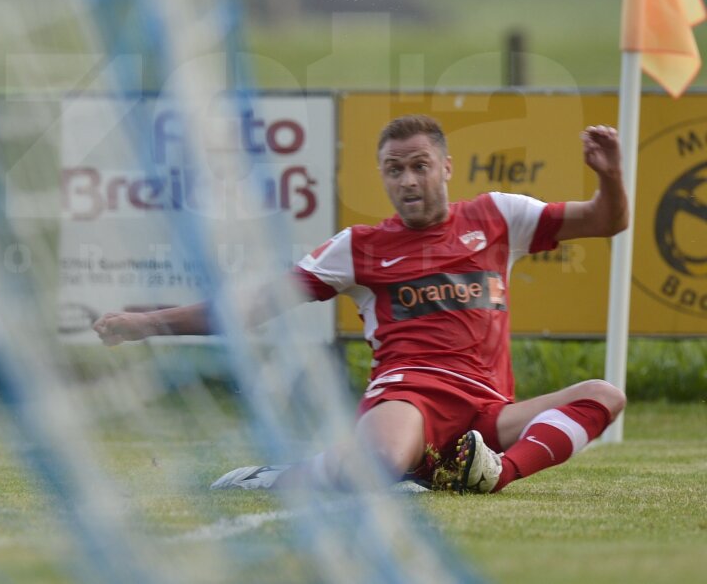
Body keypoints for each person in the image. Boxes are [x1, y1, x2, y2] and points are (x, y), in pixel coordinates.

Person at [91, 114, 627, 493]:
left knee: (603, 395)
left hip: (488, 411)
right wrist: (148, 323)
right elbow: (258, 304)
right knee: (382, 466)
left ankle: (492, 473)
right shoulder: (361, 247)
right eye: (395, 170)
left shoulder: (497, 216)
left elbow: (607, 220)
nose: (409, 180)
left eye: (420, 165)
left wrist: (610, 176)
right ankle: (285, 476)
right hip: (410, 397)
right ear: (384, 178)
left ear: (446, 167)